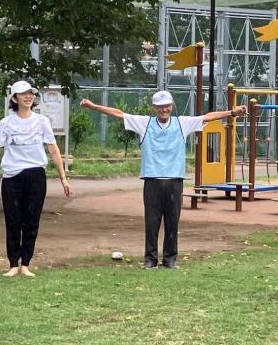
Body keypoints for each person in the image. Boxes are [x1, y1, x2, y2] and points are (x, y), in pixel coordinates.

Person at [80, 90, 245, 269]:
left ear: (171, 106)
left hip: (175, 180)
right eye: (160, 107)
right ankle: (150, 259)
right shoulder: (145, 123)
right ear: (154, 108)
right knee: (152, 221)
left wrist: (232, 113)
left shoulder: (182, 123)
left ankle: (170, 259)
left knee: (172, 221)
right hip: (152, 180)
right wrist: (94, 106)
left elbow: (206, 117)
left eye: (166, 106)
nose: (163, 110)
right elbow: (120, 114)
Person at [0, 80, 70, 277]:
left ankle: (26, 263)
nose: (28, 96)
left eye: (31, 93)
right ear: (14, 98)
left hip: (35, 175)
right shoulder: (6, 123)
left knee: (31, 220)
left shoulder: (42, 121)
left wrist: (63, 178)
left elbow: (53, 150)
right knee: (13, 220)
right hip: (12, 176)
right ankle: (13, 263)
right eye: (23, 94)